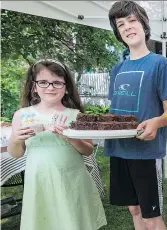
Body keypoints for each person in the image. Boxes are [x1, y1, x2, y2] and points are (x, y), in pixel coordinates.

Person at [7, 59, 106, 230]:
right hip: (40, 182)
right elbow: (16, 153)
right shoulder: (22, 116)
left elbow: (88, 151)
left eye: (57, 83)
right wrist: (16, 139)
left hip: (72, 181)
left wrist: (71, 138)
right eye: (43, 82)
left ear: (66, 86)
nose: (50, 87)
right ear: (34, 86)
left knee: (73, 222)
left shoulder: (76, 116)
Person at [106, 1, 167, 230]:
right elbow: (114, 110)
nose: (127, 27)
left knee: (150, 216)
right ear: (118, 32)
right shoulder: (116, 69)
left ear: (144, 25)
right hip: (118, 149)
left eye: (132, 20)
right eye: (121, 24)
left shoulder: (159, 63)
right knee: (134, 209)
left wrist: (156, 122)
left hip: (146, 152)